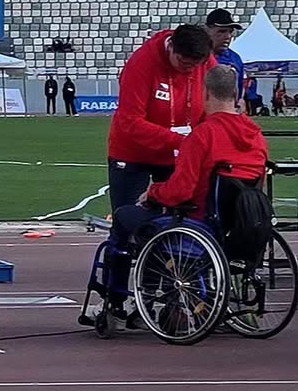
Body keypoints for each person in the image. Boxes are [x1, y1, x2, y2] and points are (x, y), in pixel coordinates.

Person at [103, 65, 269, 318]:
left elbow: (180, 191)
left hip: (198, 224)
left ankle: (120, 300)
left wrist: (153, 193)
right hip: (241, 226)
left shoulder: (203, 136)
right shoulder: (257, 137)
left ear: (206, 94)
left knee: (127, 217)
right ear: (236, 95)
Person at [107, 22, 213, 213]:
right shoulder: (141, 63)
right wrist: (183, 141)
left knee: (182, 215)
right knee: (128, 215)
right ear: (171, 46)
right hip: (133, 153)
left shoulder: (205, 61)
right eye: (184, 63)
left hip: (179, 155)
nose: (190, 70)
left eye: (196, 65)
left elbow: (215, 103)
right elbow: (130, 121)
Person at [205, 9, 245, 100]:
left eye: (230, 32)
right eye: (222, 31)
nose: (228, 36)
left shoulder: (235, 59)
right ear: (207, 30)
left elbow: (239, 95)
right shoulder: (195, 57)